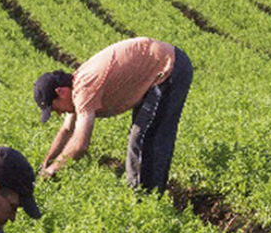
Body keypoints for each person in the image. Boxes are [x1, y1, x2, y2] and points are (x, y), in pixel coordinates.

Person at [34, 37, 193, 191]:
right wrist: (46, 163)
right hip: (158, 67)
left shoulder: (84, 89)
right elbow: (67, 130)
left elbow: (80, 145)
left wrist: (52, 170)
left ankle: (144, 198)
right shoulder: (75, 86)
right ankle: (145, 194)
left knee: (145, 138)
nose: (59, 113)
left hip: (170, 68)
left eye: (55, 108)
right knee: (142, 135)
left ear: (60, 92)